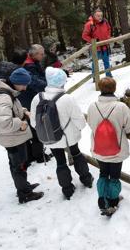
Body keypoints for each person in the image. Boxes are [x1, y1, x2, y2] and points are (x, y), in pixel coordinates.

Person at [29, 67, 93, 199]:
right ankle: (86, 179)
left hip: (50, 137)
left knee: (60, 162)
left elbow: (34, 122)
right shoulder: (67, 98)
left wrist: (45, 131)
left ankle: (67, 189)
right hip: (69, 136)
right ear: (62, 82)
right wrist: (80, 128)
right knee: (76, 154)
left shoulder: (37, 98)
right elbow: (79, 120)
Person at [0, 68, 45, 203]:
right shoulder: (4, 97)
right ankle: (25, 194)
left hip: (13, 138)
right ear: (16, 82)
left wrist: (24, 111)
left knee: (18, 165)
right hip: (13, 139)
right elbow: (2, 122)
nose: (25, 88)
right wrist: (20, 123)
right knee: (19, 166)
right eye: (24, 84)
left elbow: (11, 110)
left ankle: (23, 186)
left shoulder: (8, 91)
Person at [87, 77, 130, 216]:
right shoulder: (121, 107)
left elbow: (90, 124)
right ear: (114, 89)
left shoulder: (92, 106)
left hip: (99, 149)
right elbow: (129, 127)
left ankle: (102, 199)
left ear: (100, 89)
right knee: (114, 176)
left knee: (103, 173)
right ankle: (113, 202)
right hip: (116, 151)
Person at [19, 44, 50, 164]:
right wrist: (49, 83)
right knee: (35, 125)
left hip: (26, 98)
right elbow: (34, 81)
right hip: (28, 99)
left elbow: (41, 75)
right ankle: (38, 155)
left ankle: (30, 155)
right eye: (41, 54)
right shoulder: (29, 65)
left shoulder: (30, 61)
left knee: (30, 125)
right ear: (35, 54)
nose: (43, 56)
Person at [82, 8, 112, 78]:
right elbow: (84, 35)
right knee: (95, 64)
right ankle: (95, 78)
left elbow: (109, 29)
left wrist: (108, 36)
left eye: (101, 15)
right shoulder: (89, 24)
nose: (100, 17)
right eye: (98, 16)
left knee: (106, 62)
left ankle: (109, 76)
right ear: (94, 15)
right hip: (95, 48)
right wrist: (93, 41)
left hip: (105, 46)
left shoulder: (105, 22)